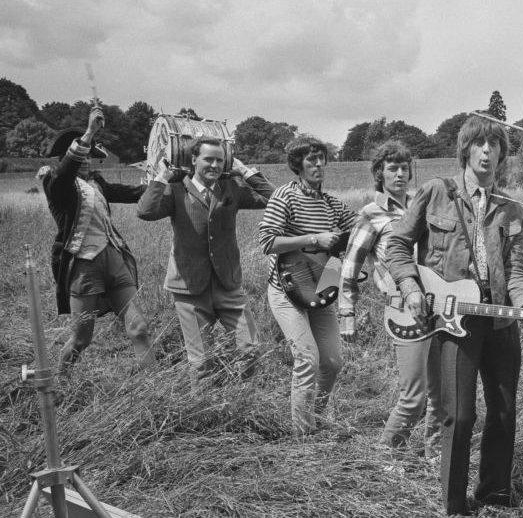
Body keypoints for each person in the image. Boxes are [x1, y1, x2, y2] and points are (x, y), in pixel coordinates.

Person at [386, 115, 523, 515]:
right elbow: (397, 244)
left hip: (499, 320)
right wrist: (410, 287)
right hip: (453, 320)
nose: (487, 152)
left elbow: (517, 273)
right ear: (466, 149)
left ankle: (494, 494)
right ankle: (454, 504)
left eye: (495, 145)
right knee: (458, 415)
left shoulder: (512, 210)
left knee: (504, 410)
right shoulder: (435, 192)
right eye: (480, 144)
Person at [137, 136, 272, 378]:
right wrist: (162, 176)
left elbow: (274, 198)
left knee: (251, 349)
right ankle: (201, 411)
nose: (215, 165)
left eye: (220, 160)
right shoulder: (176, 190)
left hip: (229, 286)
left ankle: (243, 402)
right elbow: (145, 212)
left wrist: (244, 171)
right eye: (208, 159)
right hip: (190, 288)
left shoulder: (231, 188)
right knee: (200, 363)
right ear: (193, 160)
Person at [338, 140, 441, 454]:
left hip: (439, 304)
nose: (399, 174)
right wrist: (347, 314)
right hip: (403, 308)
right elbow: (350, 266)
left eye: (404, 167)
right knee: (414, 394)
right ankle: (386, 454)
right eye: (392, 168)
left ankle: (434, 455)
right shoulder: (372, 214)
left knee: (441, 393)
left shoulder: (422, 205)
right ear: (378, 174)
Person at [257, 136, 358, 436]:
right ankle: (303, 439)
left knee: (333, 361)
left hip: (322, 284)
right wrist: (315, 239)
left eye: (321, 159)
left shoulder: (331, 203)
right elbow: (267, 242)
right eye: (311, 160)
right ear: (297, 165)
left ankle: (316, 417)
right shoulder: (284, 196)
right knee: (307, 359)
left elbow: (357, 230)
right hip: (287, 290)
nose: (318, 165)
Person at [42, 106, 154, 373]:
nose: (88, 159)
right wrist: (90, 131)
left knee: (139, 328)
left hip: (113, 259)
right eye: (83, 152)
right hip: (83, 265)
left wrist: (163, 181)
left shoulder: (97, 184)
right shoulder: (56, 183)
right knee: (82, 339)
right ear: (65, 155)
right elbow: (65, 173)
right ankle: (61, 382)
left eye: (90, 154)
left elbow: (133, 192)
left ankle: (153, 385)